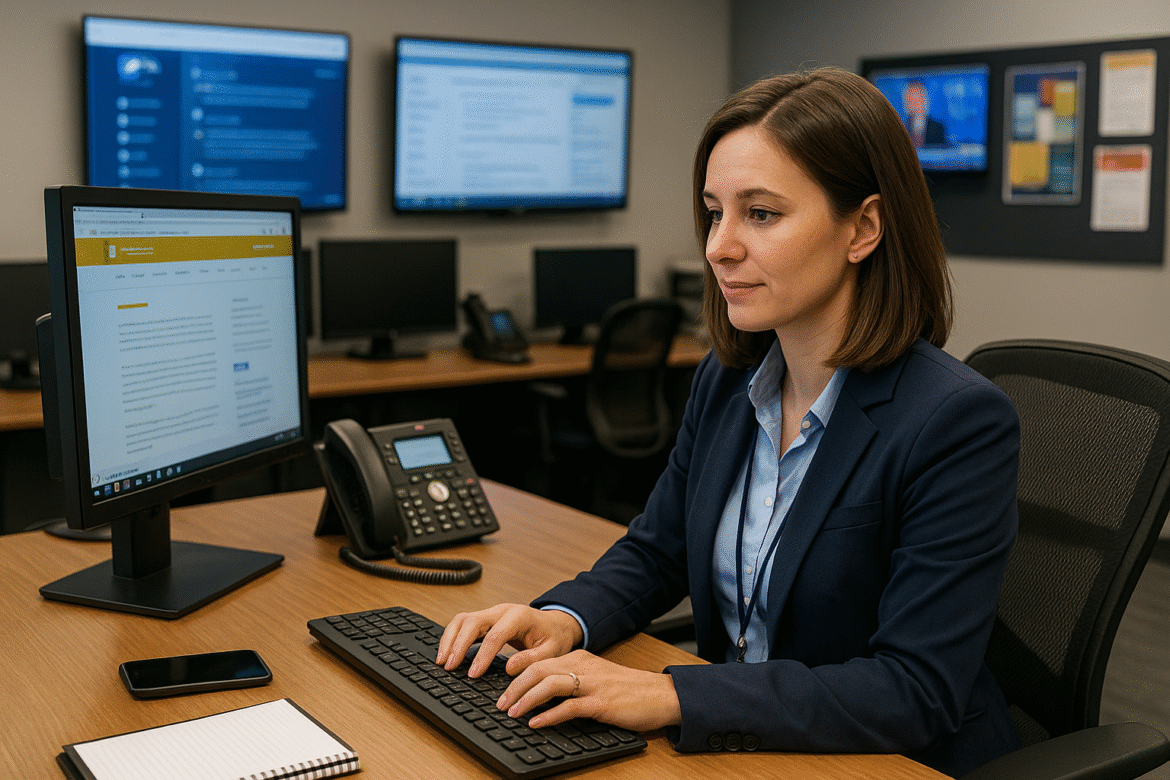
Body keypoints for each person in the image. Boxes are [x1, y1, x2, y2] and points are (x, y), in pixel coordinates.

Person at [437, 68, 1021, 778]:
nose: (719, 245)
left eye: (761, 214)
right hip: (746, 745)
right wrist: (565, 620)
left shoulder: (956, 421)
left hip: (885, 761)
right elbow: (658, 552)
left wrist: (671, 693)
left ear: (863, 228)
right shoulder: (729, 380)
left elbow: (913, 689)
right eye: (715, 212)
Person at [902, 78, 948, 147]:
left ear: (924, 100)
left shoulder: (938, 128)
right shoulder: (902, 128)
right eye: (911, 100)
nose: (915, 104)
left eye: (917, 99)